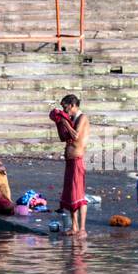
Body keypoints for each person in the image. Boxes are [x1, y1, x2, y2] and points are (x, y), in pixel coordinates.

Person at [49, 94, 89, 235]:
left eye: (64, 106)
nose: (63, 109)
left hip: (77, 160)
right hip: (69, 161)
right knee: (71, 195)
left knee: (79, 196)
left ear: (72, 105)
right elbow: (62, 138)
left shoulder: (82, 118)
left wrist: (63, 120)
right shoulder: (70, 119)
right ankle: (74, 227)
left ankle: (82, 229)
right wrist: (58, 122)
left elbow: (75, 136)